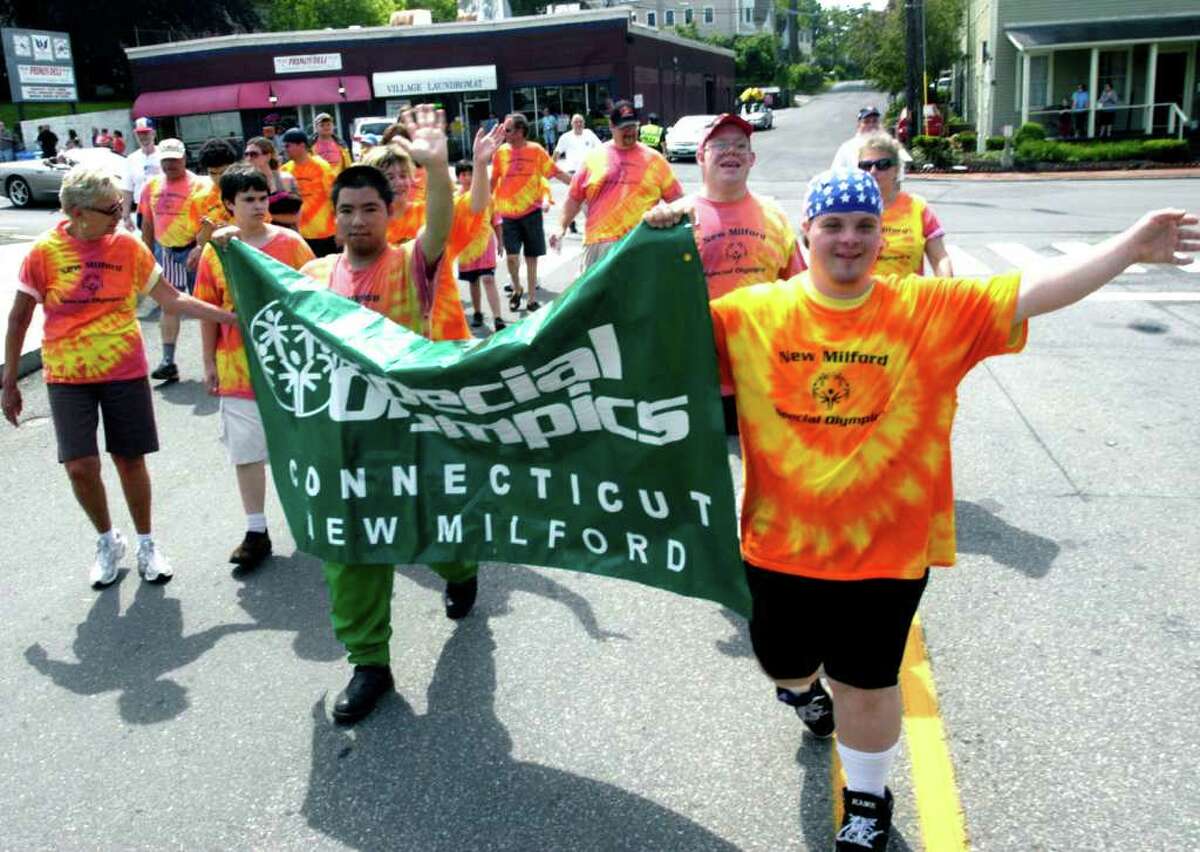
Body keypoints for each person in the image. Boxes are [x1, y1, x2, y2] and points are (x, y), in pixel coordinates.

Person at [708, 165, 1197, 850]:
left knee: (869, 688)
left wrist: (1128, 247)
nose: (849, 239)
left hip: (887, 552)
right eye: (834, 226)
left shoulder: (926, 310)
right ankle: (802, 691)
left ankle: (869, 802)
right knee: (783, 665)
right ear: (808, 233)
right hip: (778, 547)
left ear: (883, 234)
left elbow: (1030, 291)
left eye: (864, 226)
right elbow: (648, 336)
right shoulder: (752, 314)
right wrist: (656, 237)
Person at [297, 107, 480, 726]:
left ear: (390, 213)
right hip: (344, 442)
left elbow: (442, 224)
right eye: (345, 210)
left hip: (411, 433)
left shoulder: (413, 263)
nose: (355, 220)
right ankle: (369, 660)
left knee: (431, 532)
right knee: (352, 550)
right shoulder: (314, 276)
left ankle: (461, 570)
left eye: (368, 209)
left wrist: (436, 165)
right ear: (333, 215)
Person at [2, 167, 238, 588]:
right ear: (77, 212)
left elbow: (170, 297)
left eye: (120, 204)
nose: (119, 212)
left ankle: (147, 542)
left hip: (123, 370)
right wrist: (9, 382)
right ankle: (108, 539)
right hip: (67, 374)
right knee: (79, 466)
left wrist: (228, 318)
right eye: (109, 208)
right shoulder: (44, 252)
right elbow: (20, 317)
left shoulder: (127, 247)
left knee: (129, 459)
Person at [643, 112, 805, 434]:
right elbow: (650, 300)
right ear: (700, 156)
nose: (731, 152)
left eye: (740, 146)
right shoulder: (675, 220)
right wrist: (647, 232)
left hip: (762, 381)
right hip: (697, 382)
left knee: (762, 477)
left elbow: (799, 295)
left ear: (752, 158)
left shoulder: (776, 217)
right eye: (720, 145)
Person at [194, 165, 316, 569]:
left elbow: (316, 299)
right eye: (248, 199)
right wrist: (208, 361)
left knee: (301, 450)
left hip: (291, 369)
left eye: (262, 198)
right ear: (228, 205)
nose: (259, 206)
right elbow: (208, 310)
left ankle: (311, 520)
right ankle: (256, 530)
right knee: (246, 454)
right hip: (238, 370)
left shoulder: (292, 243)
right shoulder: (216, 252)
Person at [550, 100, 683, 271]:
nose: (629, 132)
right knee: (595, 298)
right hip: (599, 246)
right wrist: (561, 227)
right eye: (623, 128)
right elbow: (574, 198)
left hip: (640, 246)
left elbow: (678, 202)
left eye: (632, 126)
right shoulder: (594, 158)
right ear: (611, 126)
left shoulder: (654, 160)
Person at [138, 138, 223, 383]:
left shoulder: (200, 185)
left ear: (185, 158)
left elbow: (213, 219)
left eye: (175, 159)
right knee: (169, 305)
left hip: (198, 252)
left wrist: (201, 247)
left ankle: (216, 359)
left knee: (206, 306)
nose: (170, 164)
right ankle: (168, 361)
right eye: (165, 160)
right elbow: (147, 223)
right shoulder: (151, 186)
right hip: (167, 253)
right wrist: (146, 256)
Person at [490, 112, 571, 313]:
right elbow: (492, 182)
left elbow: (556, 172)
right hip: (508, 215)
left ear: (520, 132)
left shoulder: (535, 151)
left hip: (531, 212)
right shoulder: (501, 153)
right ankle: (517, 288)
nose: (504, 133)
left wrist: (580, 186)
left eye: (507, 129)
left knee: (531, 257)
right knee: (511, 257)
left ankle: (532, 299)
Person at [858, 132, 953, 277]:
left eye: (882, 165)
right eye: (865, 166)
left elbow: (939, 258)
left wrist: (947, 291)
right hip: (864, 298)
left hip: (910, 297)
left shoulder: (917, 207)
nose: (873, 171)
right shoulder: (850, 210)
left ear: (896, 170)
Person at [452, 159, 505, 333]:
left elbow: (496, 220)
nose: (467, 178)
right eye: (463, 174)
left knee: (488, 279)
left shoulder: (485, 195)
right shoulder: (454, 199)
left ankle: (498, 318)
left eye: (470, 174)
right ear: (458, 177)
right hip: (466, 248)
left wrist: (500, 242)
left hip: (485, 244)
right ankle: (477, 312)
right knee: (473, 281)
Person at [280, 127, 338, 257]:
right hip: (298, 235)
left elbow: (334, 197)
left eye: (288, 145)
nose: (285, 149)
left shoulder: (321, 167)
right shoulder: (285, 170)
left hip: (324, 232)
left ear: (301, 145)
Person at [243, 135, 302, 230]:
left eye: (254, 154)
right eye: (246, 154)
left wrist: (265, 216)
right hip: (257, 236)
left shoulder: (285, 179)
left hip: (285, 234)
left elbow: (295, 217)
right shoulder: (245, 181)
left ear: (268, 156)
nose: (249, 158)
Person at [120, 117, 162, 231]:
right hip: (142, 210)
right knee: (148, 246)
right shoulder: (131, 159)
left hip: (163, 208)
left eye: (146, 133)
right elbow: (127, 189)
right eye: (139, 134)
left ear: (153, 133)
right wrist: (126, 216)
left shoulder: (163, 155)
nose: (143, 137)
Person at [831, 106, 882, 170]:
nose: (871, 125)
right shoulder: (847, 148)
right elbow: (835, 173)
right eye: (866, 122)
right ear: (859, 125)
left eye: (875, 121)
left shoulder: (889, 146)